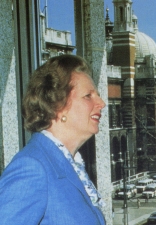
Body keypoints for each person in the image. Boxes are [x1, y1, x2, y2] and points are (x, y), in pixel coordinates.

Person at [0, 55, 106, 225]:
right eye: (88, 96)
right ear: (58, 105)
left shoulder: (69, 166)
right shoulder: (33, 168)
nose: (101, 103)